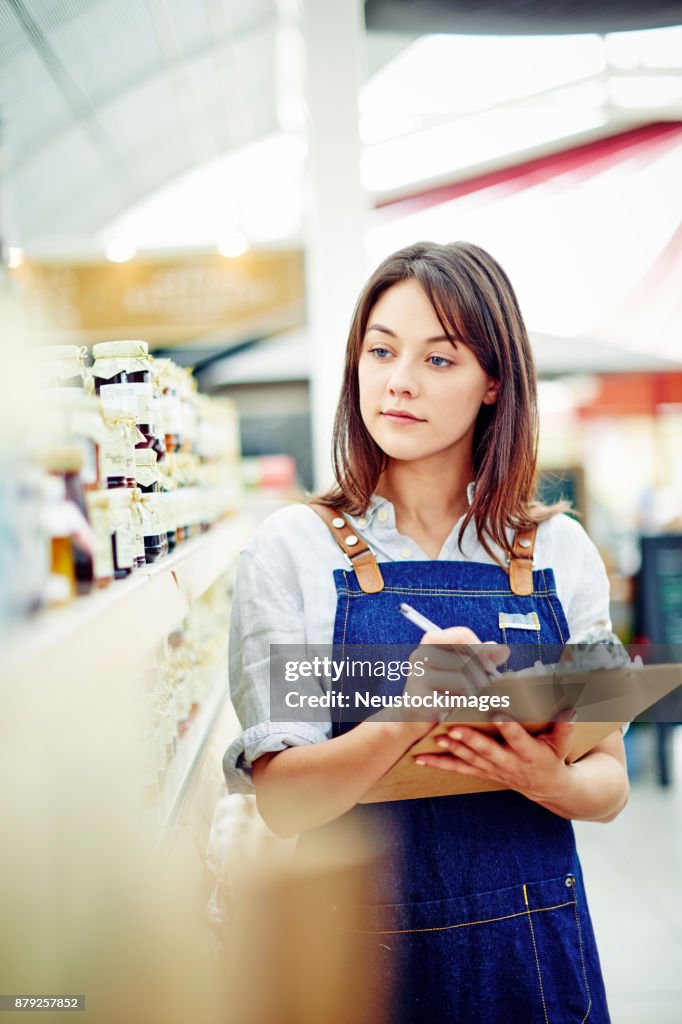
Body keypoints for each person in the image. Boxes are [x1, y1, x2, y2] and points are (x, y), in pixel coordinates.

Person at [223, 241, 629, 1023]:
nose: (398, 381)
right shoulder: (294, 550)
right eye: (380, 350)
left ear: (493, 384)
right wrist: (409, 710)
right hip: (356, 965)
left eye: (439, 360)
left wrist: (553, 784)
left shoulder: (557, 552)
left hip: (535, 956)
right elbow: (284, 802)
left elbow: (607, 774)